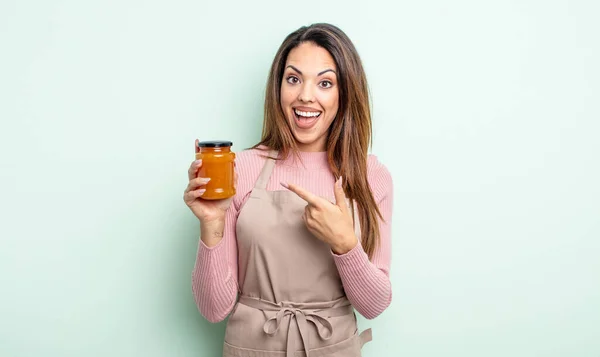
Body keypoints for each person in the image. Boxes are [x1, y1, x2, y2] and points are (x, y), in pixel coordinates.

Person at [183, 23, 393, 357]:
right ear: (278, 87)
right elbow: (214, 309)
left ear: (345, 94)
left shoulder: (369, 176)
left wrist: (345, 244)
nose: (305, 95)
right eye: (293, 79)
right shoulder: (242, 168)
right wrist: (211, 224)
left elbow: (375, 304)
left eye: (325, 83)